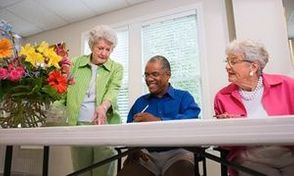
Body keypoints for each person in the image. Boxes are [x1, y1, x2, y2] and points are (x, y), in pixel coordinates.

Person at [214, 39, 294, 176]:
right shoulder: (222, 96)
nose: (227, 66)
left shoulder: (287, 85)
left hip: (289, 152)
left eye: (233, 61)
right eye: (227, 61)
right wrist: (225, 129)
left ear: (253, 67)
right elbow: (224, 145)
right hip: (248, 157)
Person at [118, 55, 201, 176]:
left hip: (178, 153)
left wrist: (158, 120)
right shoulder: (140, 102)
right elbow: (128, 132)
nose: (149, 79)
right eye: (146, 75)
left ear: (167, 75)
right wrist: (133, 149)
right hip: (146, 156)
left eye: (154, 74)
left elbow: (192, 118)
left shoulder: (183, 97)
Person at [66, 25, 123, 176]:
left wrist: (103, 107)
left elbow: (113, 89)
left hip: (104, 125)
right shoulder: (76, 63)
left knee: (103, 171)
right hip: (78, 124)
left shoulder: (116, 68)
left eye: (108, 49)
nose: (104, 53)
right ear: (92, 46)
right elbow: (63, 88)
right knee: (81, 170)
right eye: (100, 48)